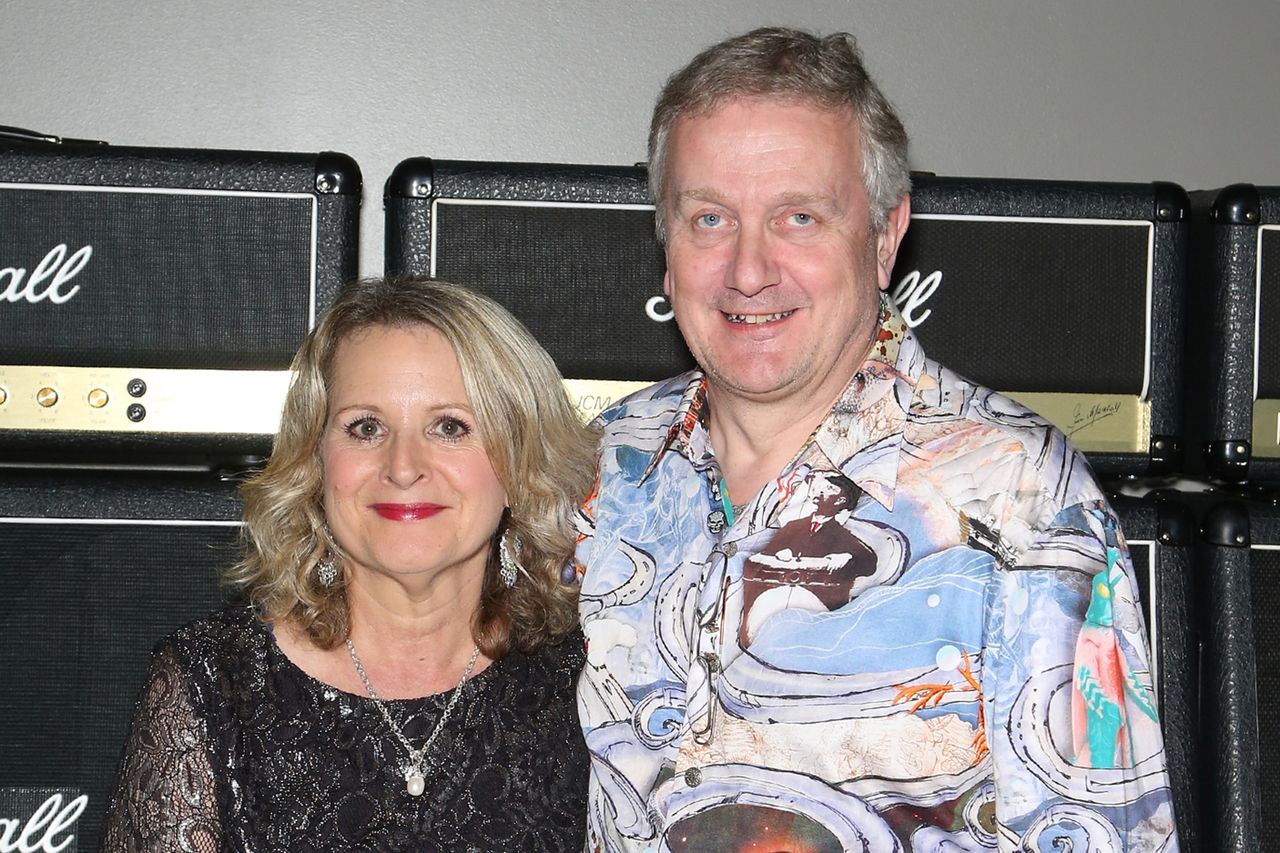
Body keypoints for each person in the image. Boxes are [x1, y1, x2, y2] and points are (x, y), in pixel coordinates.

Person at [575, 27, 1179, 852]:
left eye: (799, 217)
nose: (749, 270)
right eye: (709, 218)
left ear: (886, 236)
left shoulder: (1022, 496)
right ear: (666, 242)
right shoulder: (603, 467)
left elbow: (1102, 831)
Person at [101, 277, 597, 851]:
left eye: (450, 427)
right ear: (315, 459)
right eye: (366, 428)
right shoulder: (215, 683)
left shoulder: (598, 676)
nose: (403, 466)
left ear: (518, 460)